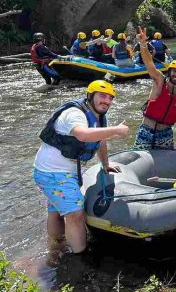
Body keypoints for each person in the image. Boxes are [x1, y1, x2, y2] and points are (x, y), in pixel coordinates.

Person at [33, 80, 128, 253]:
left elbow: (100, 140)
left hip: (60, 171)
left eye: (110, 98)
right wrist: (116, 130)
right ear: (90, 96)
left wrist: (105, 164)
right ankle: (79, 257)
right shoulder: (75, 114)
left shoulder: (97, 116)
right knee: (76, 215)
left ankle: (56, 247)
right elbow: (83, 135)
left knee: (56, 210)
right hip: (53, 172)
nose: (107, 101)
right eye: (102, 96)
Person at [133, 26, 176, 151]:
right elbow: (149, 64)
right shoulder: (160, 80)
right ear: (169, 71)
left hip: (165, 133)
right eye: (174, 71)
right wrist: (143, 44)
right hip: (147, 130)